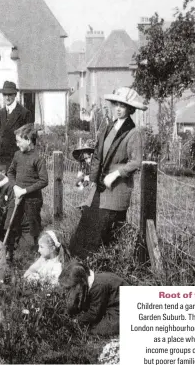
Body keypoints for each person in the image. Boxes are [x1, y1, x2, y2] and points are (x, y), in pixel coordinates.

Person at [69, 87, 145, 258]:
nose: (118, 108)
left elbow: (136, 161)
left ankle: (98, 271)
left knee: (102, 237)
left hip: (116, 191)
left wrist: (116, 174)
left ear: (130, 109)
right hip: (100, 189)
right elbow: (98, 154)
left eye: (123, 106)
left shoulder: (134, 133)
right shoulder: (109, 127)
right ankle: (77, 268)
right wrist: (90, 177)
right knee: (84, 231)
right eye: (116, 104)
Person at [4, 123, 49, 262]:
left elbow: (44, 181)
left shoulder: (38, 158)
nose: (17, 144)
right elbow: (10, 172)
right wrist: (15, 187)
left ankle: (35, 256)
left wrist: (25, 190)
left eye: (19, 141)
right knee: (10, 225)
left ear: (28, 140)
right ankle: (8, 254)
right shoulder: (17, 155)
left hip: (32, 200)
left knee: (33, 227)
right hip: (16, 196)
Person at [59, 260, 128, 336]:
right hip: (111, 304)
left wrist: (77, 321)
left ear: (80, 282)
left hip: (122, 306)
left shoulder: (98, 286)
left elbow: (94, 313)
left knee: (98, 330)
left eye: (71, 287)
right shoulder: (87, 283)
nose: (69, 290)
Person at [0, 81, 32, 166]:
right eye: (5, 95)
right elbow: (2, 135)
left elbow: (29, 140)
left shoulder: (24, 113)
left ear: (15, 95)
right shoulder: (1, 113)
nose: (7, 97)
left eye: (10, 94)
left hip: (17, 159)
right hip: (2, 158)